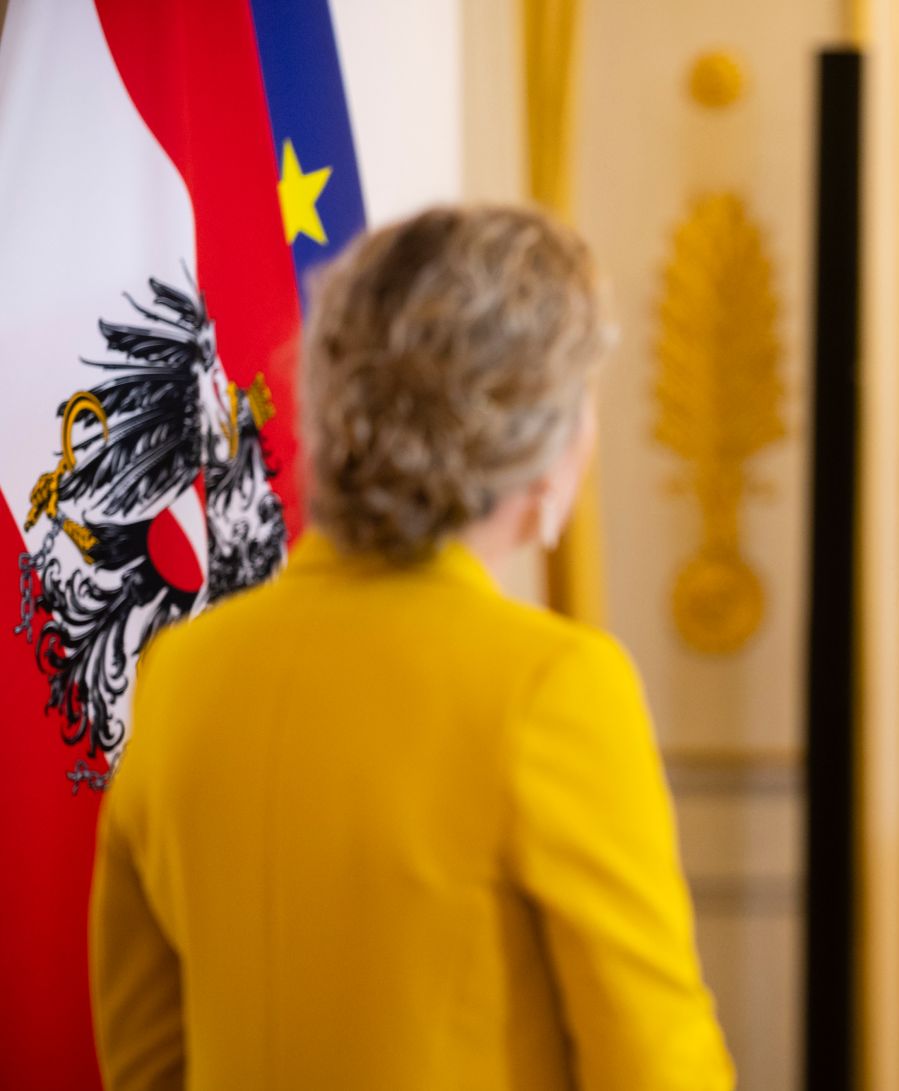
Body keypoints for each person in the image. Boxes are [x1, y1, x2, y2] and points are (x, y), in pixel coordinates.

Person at [88, 207, 735, 1091]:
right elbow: (655, 1064)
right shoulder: (554, 688)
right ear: (541, 443)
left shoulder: (181, 672)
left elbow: (146, 1060)